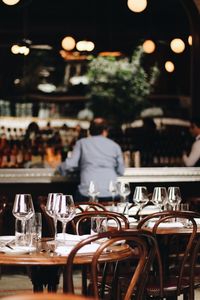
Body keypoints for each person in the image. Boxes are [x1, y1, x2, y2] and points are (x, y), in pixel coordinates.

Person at [57, 118, 125, 202]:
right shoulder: (115, 146)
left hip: (87, 194)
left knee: (74, 203)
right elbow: (121, 171)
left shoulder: (82, 143)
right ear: (105, 131)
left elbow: (70, 165)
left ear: (89, 131)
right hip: (112, 194)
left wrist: (59, 168)